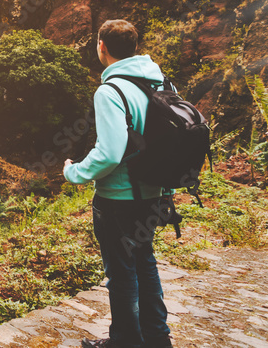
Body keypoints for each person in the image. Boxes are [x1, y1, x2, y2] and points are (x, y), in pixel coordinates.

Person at [63, 19, 173, 348]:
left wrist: (74, 172)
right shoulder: (162, 82)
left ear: (102, 47)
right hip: (153, 194)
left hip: (118, 201)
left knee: (122, 273)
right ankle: (157, 338)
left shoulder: (110, 91)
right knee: (145, 263)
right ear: (134, 47)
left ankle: (124, 340)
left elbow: (110, 153)